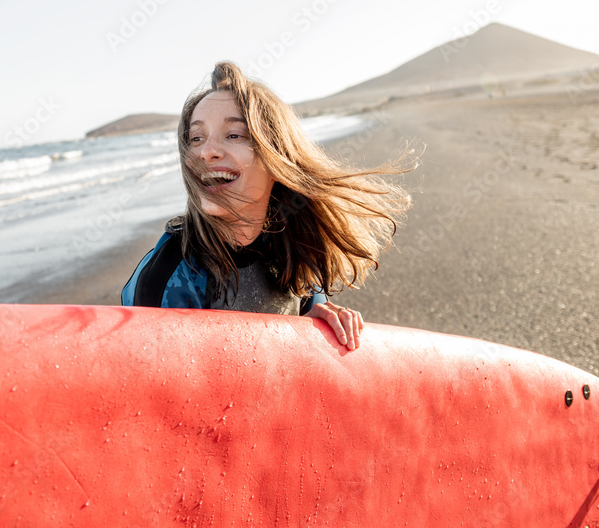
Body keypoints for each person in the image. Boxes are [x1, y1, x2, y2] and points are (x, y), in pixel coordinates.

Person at [121, 61, 413, 350]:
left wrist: (311, 323)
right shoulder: (172, 273)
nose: (206, 152)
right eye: (196, 138)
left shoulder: (293, 244)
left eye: (234, 135)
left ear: (276, 158)